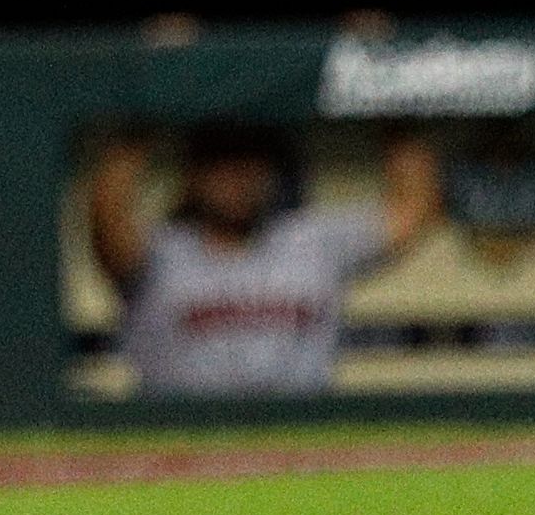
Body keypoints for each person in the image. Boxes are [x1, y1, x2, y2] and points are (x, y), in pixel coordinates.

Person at [86, 123, 440, 397]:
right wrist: (151, 97)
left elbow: (414, 206)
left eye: (250, 163)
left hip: (297, 440)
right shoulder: (161, 249)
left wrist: (375, 82)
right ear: (193, 175)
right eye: (222, 163)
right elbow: (106, 217)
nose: (237, 178)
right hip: (181, 444)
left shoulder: (309, 239)